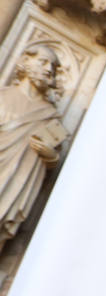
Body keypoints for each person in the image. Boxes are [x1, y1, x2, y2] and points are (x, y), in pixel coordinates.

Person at [0, 45, 67, 242]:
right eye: (43, 62)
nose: (48, 70)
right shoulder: (3, 96)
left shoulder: (50, 116)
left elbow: (52, 159)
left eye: (52, 68)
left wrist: (51, 156)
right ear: (26, 61)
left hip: (16, 182)